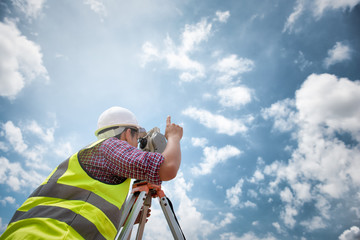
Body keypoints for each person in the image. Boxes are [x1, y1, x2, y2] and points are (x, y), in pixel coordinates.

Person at [0, 106, 183, 240]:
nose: (137, 145)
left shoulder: (90, 156)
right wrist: (174, 137)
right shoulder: (111, 146)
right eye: (137, 138)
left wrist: (120, 219)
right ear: (128, 134)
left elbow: (81, 205)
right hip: (58, 235)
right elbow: (167, 168)